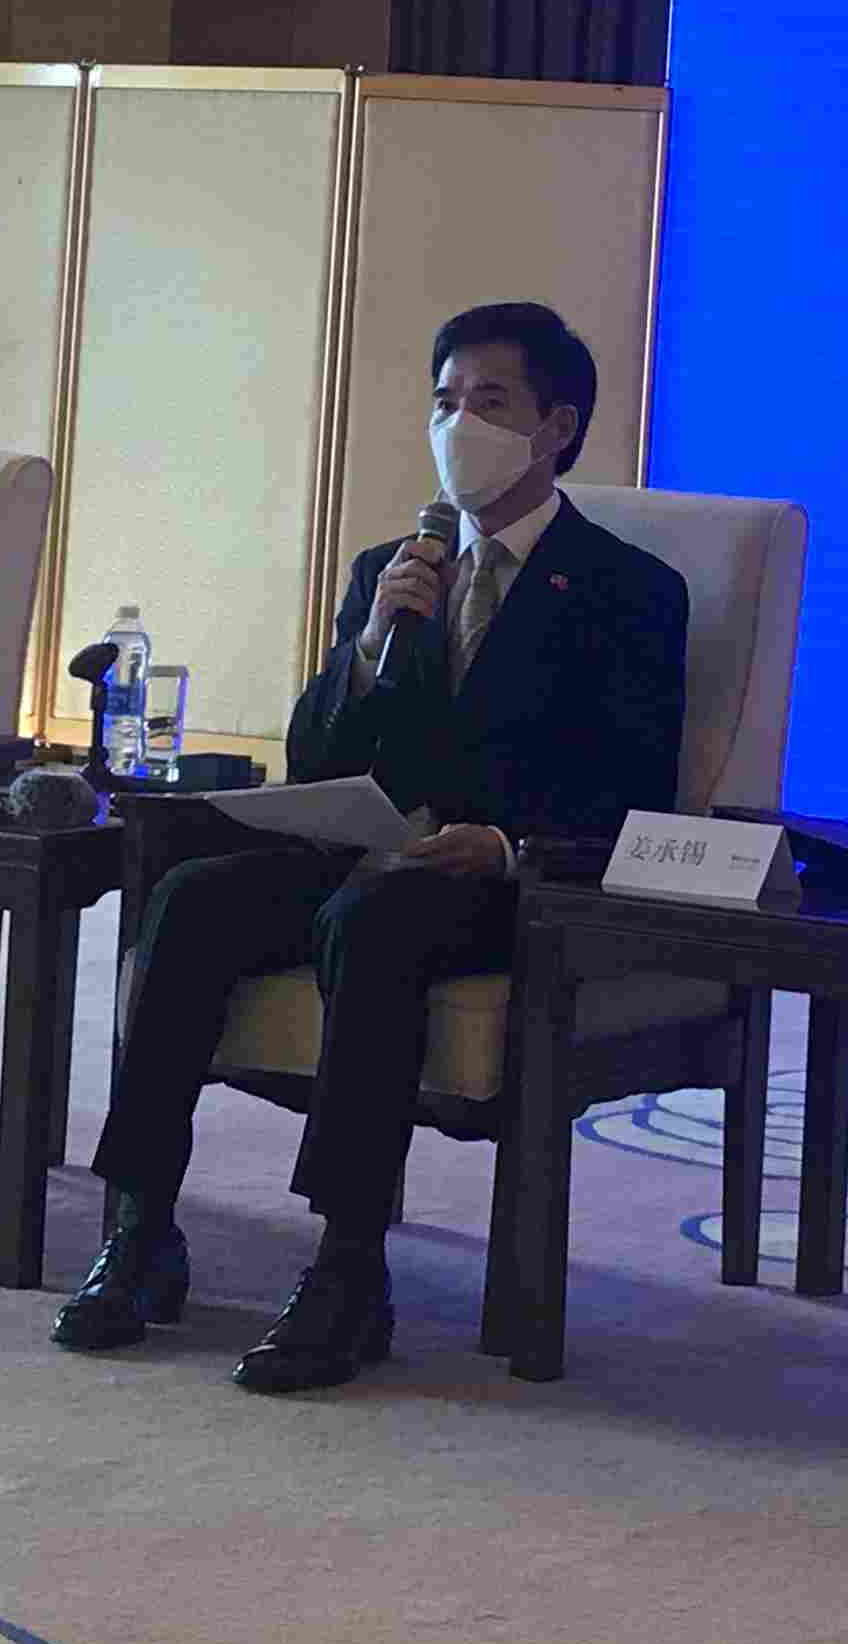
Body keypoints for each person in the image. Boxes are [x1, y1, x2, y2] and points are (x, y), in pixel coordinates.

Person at [58, 299, 687, 1393]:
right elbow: (318, 753)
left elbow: (637, 787)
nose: (457, 425)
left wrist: (504, 844)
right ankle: (142, 1227)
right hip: (369, 849)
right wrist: (366, 646)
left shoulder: (631, 589)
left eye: (489, 401)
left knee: (375, 916)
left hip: (507, 883)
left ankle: (350, 1266)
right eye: (444, 401)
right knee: (193, 896)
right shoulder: (392, 568)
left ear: (557, 428)